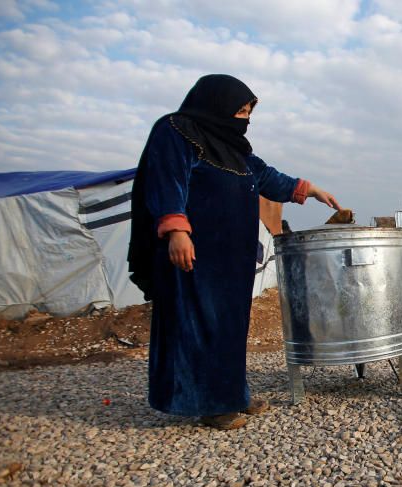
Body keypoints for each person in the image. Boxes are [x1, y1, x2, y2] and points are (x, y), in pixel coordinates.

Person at [128, 74, 342, 430]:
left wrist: (310, 190)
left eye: (247, 112)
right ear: (215, 104)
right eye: (239, 110)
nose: (244, 118)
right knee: (199, 324)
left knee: (229, 327)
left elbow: (268, 178)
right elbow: (167, 179)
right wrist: (177, 230)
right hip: (195, 253)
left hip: (232, 258)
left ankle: (232, 394)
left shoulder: (234, 148)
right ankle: (208, 404)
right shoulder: (176, 130)